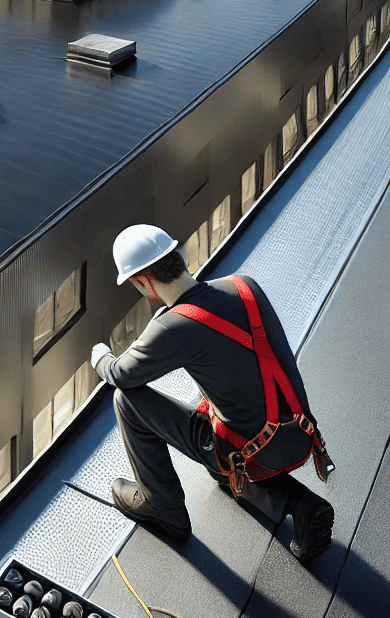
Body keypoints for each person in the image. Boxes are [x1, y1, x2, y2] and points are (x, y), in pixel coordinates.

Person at [90, 224, 335, 562]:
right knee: (221, 470)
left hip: (253, 449)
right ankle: (301, 505)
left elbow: (120, 374)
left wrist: (98, 353)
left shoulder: (170, 326)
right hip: (299, 432)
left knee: (126, 401)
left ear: (143, 281)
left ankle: (164, 509)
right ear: (179, 257)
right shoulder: (243, 285)